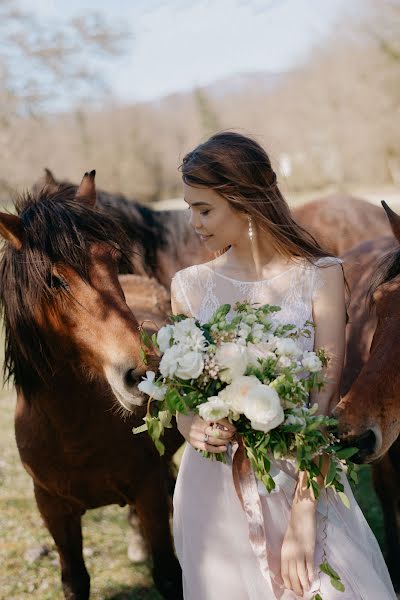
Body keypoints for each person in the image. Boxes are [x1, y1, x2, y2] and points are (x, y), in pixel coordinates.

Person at [170, 131, 396, 600]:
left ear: (246, 201)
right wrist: (190, 423)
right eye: (189, 207)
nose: (193, 223)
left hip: (300, 475)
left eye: (204, 209)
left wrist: (305, 512)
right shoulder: (188, 287)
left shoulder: (321, 277)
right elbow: (180, 399)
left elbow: (323, 399)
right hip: (212, 488)